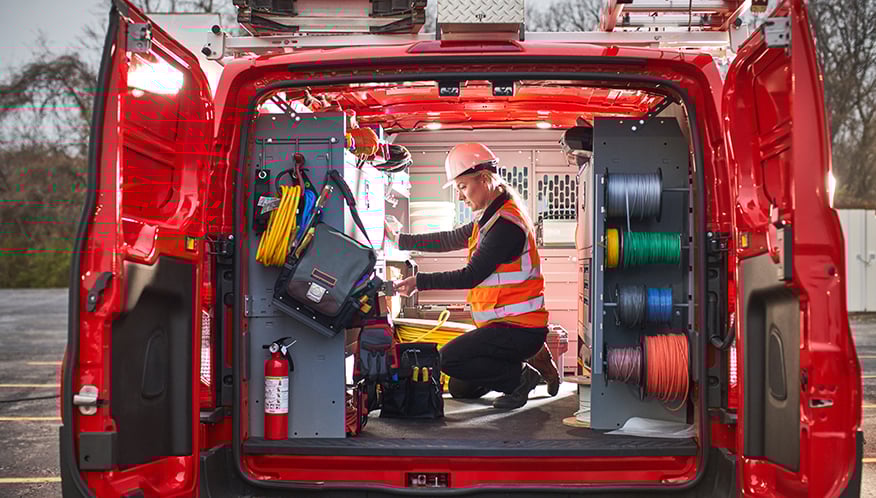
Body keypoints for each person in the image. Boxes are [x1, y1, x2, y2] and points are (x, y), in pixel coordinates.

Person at [387, 143, 561, 410]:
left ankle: (520, 380)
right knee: (459, 388)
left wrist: (419, 282)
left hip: (518, 328)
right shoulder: (490, 218)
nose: (460, 196)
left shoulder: (505, 226)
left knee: (448, 359)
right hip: (503, 326)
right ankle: (528, 363)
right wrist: (399, 240)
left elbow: (471, 276)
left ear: (484, 179)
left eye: (463, 187)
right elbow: (450, 238)